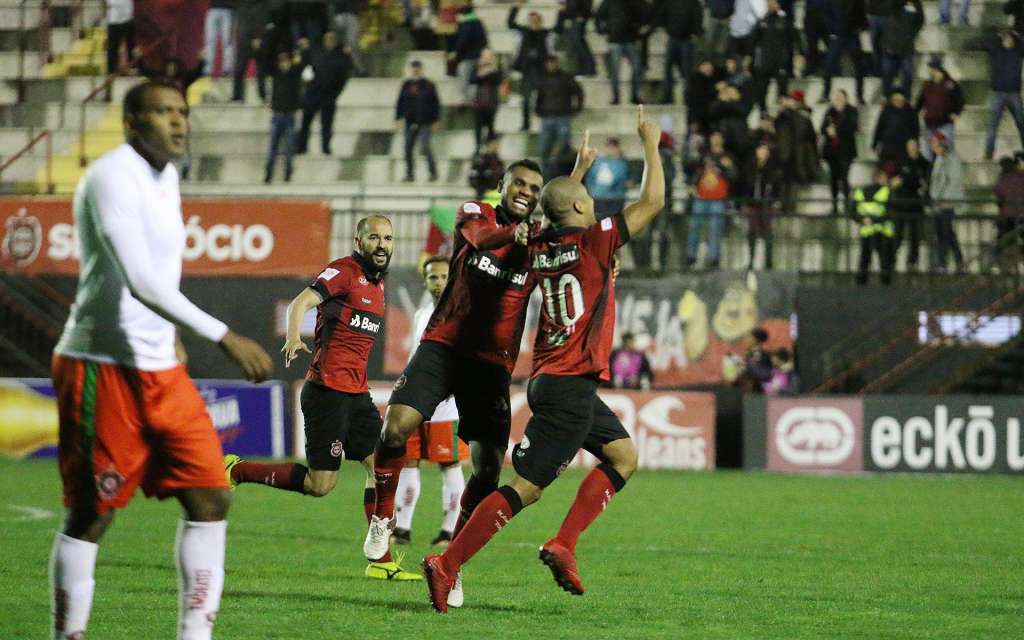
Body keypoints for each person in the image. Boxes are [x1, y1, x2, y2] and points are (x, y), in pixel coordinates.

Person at [49, 80, 273, 640]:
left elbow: (162, 270)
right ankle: (67, 634)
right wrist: (223, 335)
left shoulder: (167, 175)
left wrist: (170, 332)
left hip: (161, 369)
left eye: (182, 112)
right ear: (131, 122)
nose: (178, 122)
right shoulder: (110, 177)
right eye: (162, 112)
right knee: (92, 515)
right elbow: (141, 279)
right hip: (102, 364)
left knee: (211, 496)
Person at [422, 106, 663, 613]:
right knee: (525, 489)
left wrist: (575, 174)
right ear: (580, 208)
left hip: (553, 379)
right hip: (570, 384)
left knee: (623, 456)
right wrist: (650, 143)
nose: (594, 205)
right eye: (588, 199)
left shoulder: (541, 248)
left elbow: (554, 212)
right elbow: (654, 200)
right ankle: (449, 563)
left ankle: (565, 544)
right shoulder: (597, 239)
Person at [365, 153, 578, 609]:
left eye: (534, 189)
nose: (525, 191)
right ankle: (383, 519)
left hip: (491, 367)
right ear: (502, 186)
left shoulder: (538, 242)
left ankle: (451, 562)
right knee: (396, 426)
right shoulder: (474, 214)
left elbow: (573, 260)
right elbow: (481, 238)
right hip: (444, 346)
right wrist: (514, 233)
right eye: (518, 183)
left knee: (485, 469)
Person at [224, 216, 421, 581]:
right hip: (327, 393)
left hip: (357, 394)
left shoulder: (378, 285)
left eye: (388, 238)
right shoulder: (343, 272)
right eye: (374, 237)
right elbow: (302, 300)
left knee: (383, 468)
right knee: (321, 485)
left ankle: (380, 560)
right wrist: (293, 336)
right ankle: (237, 469)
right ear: (358, 240)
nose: (382, 244)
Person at [393, 256, 469, 548]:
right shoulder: (423, 312)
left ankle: (449, 531)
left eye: (443, 277)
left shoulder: (461, 312)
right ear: (425, 281)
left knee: (448, 464)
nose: (438, 283)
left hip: (447, 404)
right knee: (408, 461)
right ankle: (403, 529)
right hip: (417, 399)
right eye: (432, 278)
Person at [295, 31, 353, 155]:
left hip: (329, 94)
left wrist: (336, 93)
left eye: (332, 39)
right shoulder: (316, 52)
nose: (329, 41)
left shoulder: (340, 55)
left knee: (326, 124)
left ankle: (325, 147)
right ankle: (301, 146)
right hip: (313, 91)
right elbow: (303, 64)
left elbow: (345, 73)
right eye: (327, 39)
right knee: (306, 121)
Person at [686, 131, 735, 269]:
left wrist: (728, 167)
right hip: (701, 197)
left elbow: (733, 177)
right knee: (694, 226)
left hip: (718, 199)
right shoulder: (705, 156)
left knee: (716, 229)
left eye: (718, 138)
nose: (715, 140)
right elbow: (695, 170)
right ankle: (691, 256)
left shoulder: (727, 157)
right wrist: (692, 184)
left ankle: (714, 258)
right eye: (713, 137)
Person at [536, 55, 585, 178]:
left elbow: (579, 93)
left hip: (563, 117)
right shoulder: (543, 79)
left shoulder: (566, 78)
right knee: (544, 149)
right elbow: (539, 96)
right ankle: (546, 176)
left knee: (563, 148)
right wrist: (538, 110)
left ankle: (559, 173)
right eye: (548, 63)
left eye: (553, 63)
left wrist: (576, 108)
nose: (551, 66)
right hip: (547, 117)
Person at [749, 0, 802, 114]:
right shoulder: (762, 21)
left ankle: (783, 114)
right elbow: (752, 40)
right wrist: (749, 57)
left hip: (781, 62)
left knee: (782, 91)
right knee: (761, 89)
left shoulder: (785, 21)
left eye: (773, 2)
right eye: (769, 2)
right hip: (765, 62)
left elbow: (796, 38)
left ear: (778, 4)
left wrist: (800, 53)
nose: (770, 5)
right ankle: (763, 112)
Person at [396, 60, 441, 182]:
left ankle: (433, 172)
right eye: (413, 68)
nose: (415, 70)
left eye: (418, 68)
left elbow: (435, 103)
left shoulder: (429, 85)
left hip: (425, 121)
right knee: (407, 148)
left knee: (425, 147)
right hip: (410, 121)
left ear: (421, 69)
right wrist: (398, 117)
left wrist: (436, 120)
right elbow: (400, 101)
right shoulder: (406, 84)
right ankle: (409, 174)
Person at [595, 0, 648, 105]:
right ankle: (616, 97)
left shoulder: (633, 2)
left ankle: (634, 96)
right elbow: (598, 17)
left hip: (630, 40)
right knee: (615, 72)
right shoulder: (608, 2)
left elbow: (644, 15)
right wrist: (602, 30)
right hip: (615, 41)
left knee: (638, 69)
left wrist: (639, 29)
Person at [775, 89, 819, 215]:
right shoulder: (784, 116)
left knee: (792, 184)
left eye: (792, 100)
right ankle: (785, 208)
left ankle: (788, 210)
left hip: (796, 157)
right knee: (785, 183)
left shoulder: (801, 118)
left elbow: (807, 139)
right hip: (786, 155)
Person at [509, 1, 551, 131]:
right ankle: (526, 124)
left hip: (540, 70)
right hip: (527, 69)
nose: (533, 22)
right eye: (531, 19)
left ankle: (541, 121)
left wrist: (561, 11)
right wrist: (516, 8)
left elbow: (559, 28)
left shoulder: (544, 33)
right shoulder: (524, 31)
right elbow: (511, 23)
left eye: (536, 19)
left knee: (542, 98)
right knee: (526, 100)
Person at [264, 49, 304, 184]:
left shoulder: (294, 75)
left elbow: (303, 64)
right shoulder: (276, 74)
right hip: (277, 115)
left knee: (289, 147)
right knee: (272, 148)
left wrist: (300, 53)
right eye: (281, 62)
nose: (283, 64)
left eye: (286, 61)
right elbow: (265, 61)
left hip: (289, 116)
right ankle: (268, 174)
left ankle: (288, 174)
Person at [984, 29, 1024, 161]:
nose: (1007, 41)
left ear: (1013, 40)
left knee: (1021, 124)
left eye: (1009, 39)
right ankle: (988, 154)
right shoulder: (996, 50)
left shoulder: (1018, 51)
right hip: (998, 94)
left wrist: (1017, 35)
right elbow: (986, 43)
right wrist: (997, 35)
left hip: (1014, 93)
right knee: (992, 126)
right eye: (1005, 39)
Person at [891, 138, 931, 272]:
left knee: (915, 234)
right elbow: (894, 180)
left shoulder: (924, 163)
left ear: (918, 147)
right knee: (898, 232)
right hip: (901, 202)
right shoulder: (901, 161)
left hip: (916, 204)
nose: (912, 148)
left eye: (914, 146)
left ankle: (913, 260)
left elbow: (923, 183)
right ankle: (891, 259)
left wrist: (905, 180)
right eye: (910, 146)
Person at [928, 132, 965, 273]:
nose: (933, 147)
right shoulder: (939, 159)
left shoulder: (952, 160)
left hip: (946, 203)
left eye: (935, 144)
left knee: (946, 233)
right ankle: (955, 261)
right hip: (938, 203)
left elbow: (953, 182)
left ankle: (946, 262)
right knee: (945, 233)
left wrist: (943, 199)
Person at [742, 142, 781, 269]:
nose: (763, 153)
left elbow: (776, 186)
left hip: (766, 204)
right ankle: (751, 261)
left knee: (768, 233)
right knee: (752, 232)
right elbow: (745, 183)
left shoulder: (773, 168)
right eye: (761, 150)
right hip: (753, 203)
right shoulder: (750, 166)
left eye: (765, 151)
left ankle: (768, 262)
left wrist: (775, 201)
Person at [656, 0, 703, 104]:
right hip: (673, 38)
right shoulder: (670, 2)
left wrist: (695, 33)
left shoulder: (693, 3)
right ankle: (668, 97)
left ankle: (687, 98)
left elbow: (698, 17)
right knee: (668, 69)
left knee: (686, 71)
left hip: (687, 40)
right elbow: (662, 15)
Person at [853, 167, 894, 285]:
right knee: (884, 259)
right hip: (883, 230)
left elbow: (852, 211)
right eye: (885, 178)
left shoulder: (860, 191)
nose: (887, 180)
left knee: (865, 257)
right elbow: (890, 211)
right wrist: (876, 220)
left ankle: (861, 282)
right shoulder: (887, 191)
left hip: (866, 230)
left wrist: (863, 219)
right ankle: (886, 283)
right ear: (878, 178)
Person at [821, 89, 859, 215]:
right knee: (833, 178)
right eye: (836, 97)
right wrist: (828, 131)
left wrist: (836, 130)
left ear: (846, 98)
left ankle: (847, 205)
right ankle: (834, 205)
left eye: (840, 97)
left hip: (846, 151)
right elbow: (822, 128)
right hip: (832, 152)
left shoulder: (852, 111)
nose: (838, 99)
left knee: (844, 177)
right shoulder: (829, 112)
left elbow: (853, 127)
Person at [917, 61, 964, 161]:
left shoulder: (950, 84)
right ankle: (930, 174)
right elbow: (920, 102)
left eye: (932, 70)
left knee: (946, 151)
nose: (931, 72)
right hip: (929, 124)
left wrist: (956, 113)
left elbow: (960, 100)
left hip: (945, 125)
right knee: (928, 153)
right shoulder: (927, 85)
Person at [822, 0, 866, 106]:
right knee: (828, 65)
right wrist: (831, 31)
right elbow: (826, 14)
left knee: (859, 66)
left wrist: (859, 28)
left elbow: (861, 14)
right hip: (837, 36)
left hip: (852, 36)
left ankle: (859, 96)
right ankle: (825, 95)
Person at [880, 0, 923, 98]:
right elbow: (891, 6)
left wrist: (911, 33)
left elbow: (920, 19)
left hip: (906, 47)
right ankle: (887, 97)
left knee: (908, 75)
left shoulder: (915, 2)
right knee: (887, 74)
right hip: (890, 47)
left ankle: (906, 98)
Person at [449, 4, 488, 105]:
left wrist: (455, 52)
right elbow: (484, 40)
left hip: (467, 56)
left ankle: (465, 99)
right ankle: (472, 98)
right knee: (474, 78)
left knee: (463, 76)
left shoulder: (465, 24)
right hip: (479, 55)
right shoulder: (478, 22)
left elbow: (463, 39)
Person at [232, 0, 270, 102]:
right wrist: (248, 40)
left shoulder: (263, 4)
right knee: (239, 70)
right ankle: (237, 96)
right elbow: (242, 24)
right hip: (245, 42)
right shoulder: (242, 5)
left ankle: (263, 95)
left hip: (259, 41)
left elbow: (264, 20)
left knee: (261, 71)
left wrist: (259, 38)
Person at [585, 137, 630, 220]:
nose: (611, 149)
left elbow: (624, 180)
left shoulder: (622, 163)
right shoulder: (598, 162)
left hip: (614, 200)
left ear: (618, 148)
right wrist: (591, 191)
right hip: (598, 198)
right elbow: (590, 177)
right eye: (609, 147)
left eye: (613, 147)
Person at [872, 88, 919, 166]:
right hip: (887, 146)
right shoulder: (886, 110)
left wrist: (914, 144)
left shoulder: (911, 112)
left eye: (900, 100)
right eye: (895, 100)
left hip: (903, 148)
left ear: (904, 99)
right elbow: (879, 127)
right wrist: (875, 143)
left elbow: (915, 130)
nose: (897, 102)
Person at [993, 152, 1024, 270]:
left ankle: (1001, 264)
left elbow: (997, 192)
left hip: (1008, 215)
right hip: (1021, 215)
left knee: (1003, 240)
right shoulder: (1021, 176)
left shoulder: (1003, 178)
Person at [470, 49, 503, 151]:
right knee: (478, 128)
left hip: (492, 103)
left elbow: (499, 80)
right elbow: (472, 79)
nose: (486, 58)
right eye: (485, 56)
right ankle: (477, 149)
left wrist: (490, 70)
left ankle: (491, 151)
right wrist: (483, 72)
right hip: (479, 102)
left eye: (489, 56)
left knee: (491, 128)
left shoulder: (497, 68)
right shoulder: (476, 67)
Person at [556, 0, 597, 76]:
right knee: (575, 43)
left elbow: (587, 5)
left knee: (578, 42)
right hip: (572, 16)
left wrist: (582, 15)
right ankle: (583, 68)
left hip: (579, 17)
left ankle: (590, 68)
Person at [204, 1, 236, 77]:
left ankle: (227, 70)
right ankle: (207, 70)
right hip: (213, 8)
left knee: (228, 41)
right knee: (209, 41)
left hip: (228, 9)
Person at [105, 0, 135, 75]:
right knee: (113, 47)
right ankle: (111, 71)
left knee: (131, 44)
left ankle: (132, 67)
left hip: (129, 18)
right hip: (114, 20)